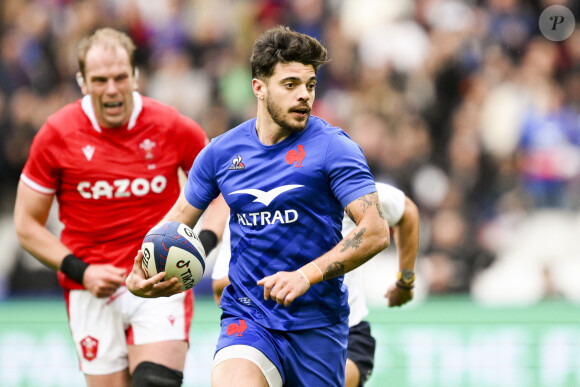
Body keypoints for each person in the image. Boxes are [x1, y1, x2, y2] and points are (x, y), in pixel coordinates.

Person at [127, 25, 391, 387]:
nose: (304, 96)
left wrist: (305, 275)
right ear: (259, 87)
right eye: (291, 84)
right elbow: (174, 224)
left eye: (310, 85)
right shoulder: (221, 153)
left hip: (318, 323)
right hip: (248, 317)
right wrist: (143, 265)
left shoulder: (335, 148)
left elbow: (375, 231)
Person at [13, 28, 213, 387]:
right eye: (100, 79)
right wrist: (81, 270)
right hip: (90, 288)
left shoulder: (171, 125)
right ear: (82, 82)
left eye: (120, 77)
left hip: (159, 280)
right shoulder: (56, 134)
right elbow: (26, 225)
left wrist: (202, 246)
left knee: (156, 383)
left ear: (135, 76)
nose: (111, 89)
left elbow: (223, 189)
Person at [211, 182, 420, 387]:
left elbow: (406, 211)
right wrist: (266, 272)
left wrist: (405, 281)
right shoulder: (249, 209)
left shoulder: (347, 190)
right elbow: (221, 288)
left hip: (343, 334)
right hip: (267, 334)